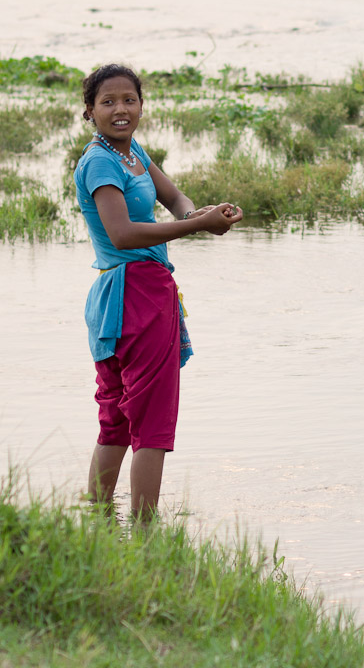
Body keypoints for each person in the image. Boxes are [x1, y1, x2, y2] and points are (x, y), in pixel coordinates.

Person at [74, 63, 243, 520]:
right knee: (149, 422)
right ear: (89, 111)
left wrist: (202, 211)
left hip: (123, 298)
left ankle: (96, 525)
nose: (120, 109)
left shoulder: (132, 153)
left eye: (129, 99)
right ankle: (146, 539)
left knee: (119, 419)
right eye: (107, 102)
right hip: (136, 298)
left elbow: (174, 198)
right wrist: (196, 226)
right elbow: (123, 233)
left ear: (142, 105)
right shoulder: (100, 162)